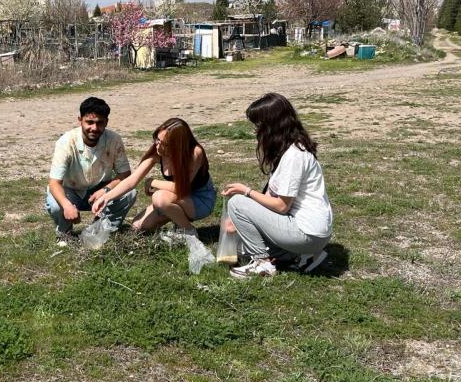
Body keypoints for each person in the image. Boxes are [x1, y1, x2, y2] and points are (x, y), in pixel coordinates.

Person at [221, 93, 332, 279]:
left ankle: (263, 263)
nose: (256, 131)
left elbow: (281, 206)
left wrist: (246, 192)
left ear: (272, 126)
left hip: (307, 233)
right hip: (312, 231)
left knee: (237, 203)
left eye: (258, 125)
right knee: (241, 244)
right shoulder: (291, 148)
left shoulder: (294, 155)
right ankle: (300, 256)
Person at [93, 117, 215, 236]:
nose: (158, 145)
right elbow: (132, 181)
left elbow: (181, 188)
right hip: (179, 198)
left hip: (199, 198)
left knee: (159, 198)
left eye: (164, 144)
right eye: (157, 139)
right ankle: (176, 218)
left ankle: (189, 231)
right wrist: (106, 197)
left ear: (178, 145)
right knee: (137, 226)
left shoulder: (194, 153)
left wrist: (152, 181)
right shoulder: (158, 153)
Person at [46, 97, 137, 239]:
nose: (94, 128)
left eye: (100, 123)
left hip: (100, 190)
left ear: (106, 122)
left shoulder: (114, 140)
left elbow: (125, 174)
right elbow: (54, 183)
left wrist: (106, 190)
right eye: (89, 122)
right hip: (72, 191)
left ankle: (103, 228)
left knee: (129, 192)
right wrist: (67, 205)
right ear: (80, 120)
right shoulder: (66, 142)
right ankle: (65, 233)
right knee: (56, 203)